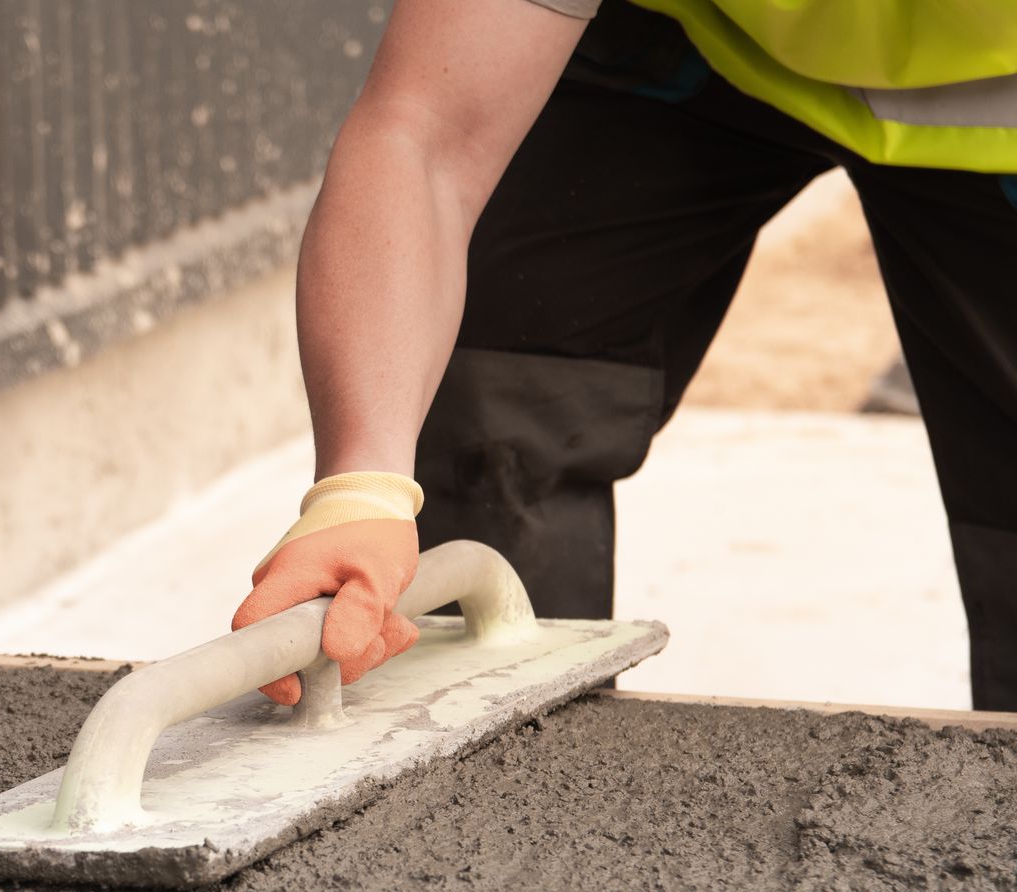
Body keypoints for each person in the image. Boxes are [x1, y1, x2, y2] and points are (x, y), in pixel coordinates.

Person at [235, 0, 1017, 709]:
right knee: (487, 389)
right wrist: (361, 491)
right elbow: (423, 136)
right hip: (699, 46)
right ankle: (490, 780)